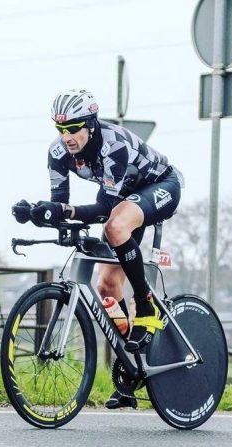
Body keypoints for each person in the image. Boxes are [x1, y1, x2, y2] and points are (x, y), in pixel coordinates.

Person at [12, 89, 182, 409]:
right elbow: (60, 206)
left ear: (90, 124)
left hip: (159, 187)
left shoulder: (112, 144)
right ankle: (134, 369)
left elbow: (104, 207)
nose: (67, 137)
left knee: (115, 226)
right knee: (105, 286)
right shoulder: (58, 152)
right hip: (126, 198)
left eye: (73, 128)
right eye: (60, 129)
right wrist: (37, 213)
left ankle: (146, 306)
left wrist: (62, 212)